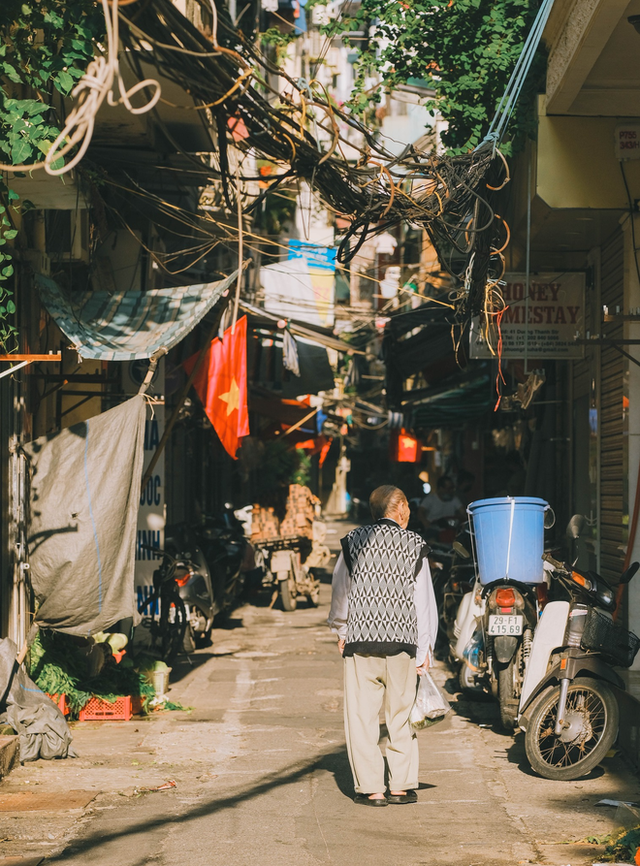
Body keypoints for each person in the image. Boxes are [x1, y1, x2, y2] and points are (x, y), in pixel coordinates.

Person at [328, 485, 438, 807]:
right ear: (401, 508)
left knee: (361, 717)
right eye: (406, 507)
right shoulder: (415, 545)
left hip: (361, 641)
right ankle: (401, 786)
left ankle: (372, 789)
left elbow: (340, 592)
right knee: (401, 715)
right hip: (403, 644)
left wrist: (341, 629)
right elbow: (423, 602)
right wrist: (424, 648)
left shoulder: (353, 542)